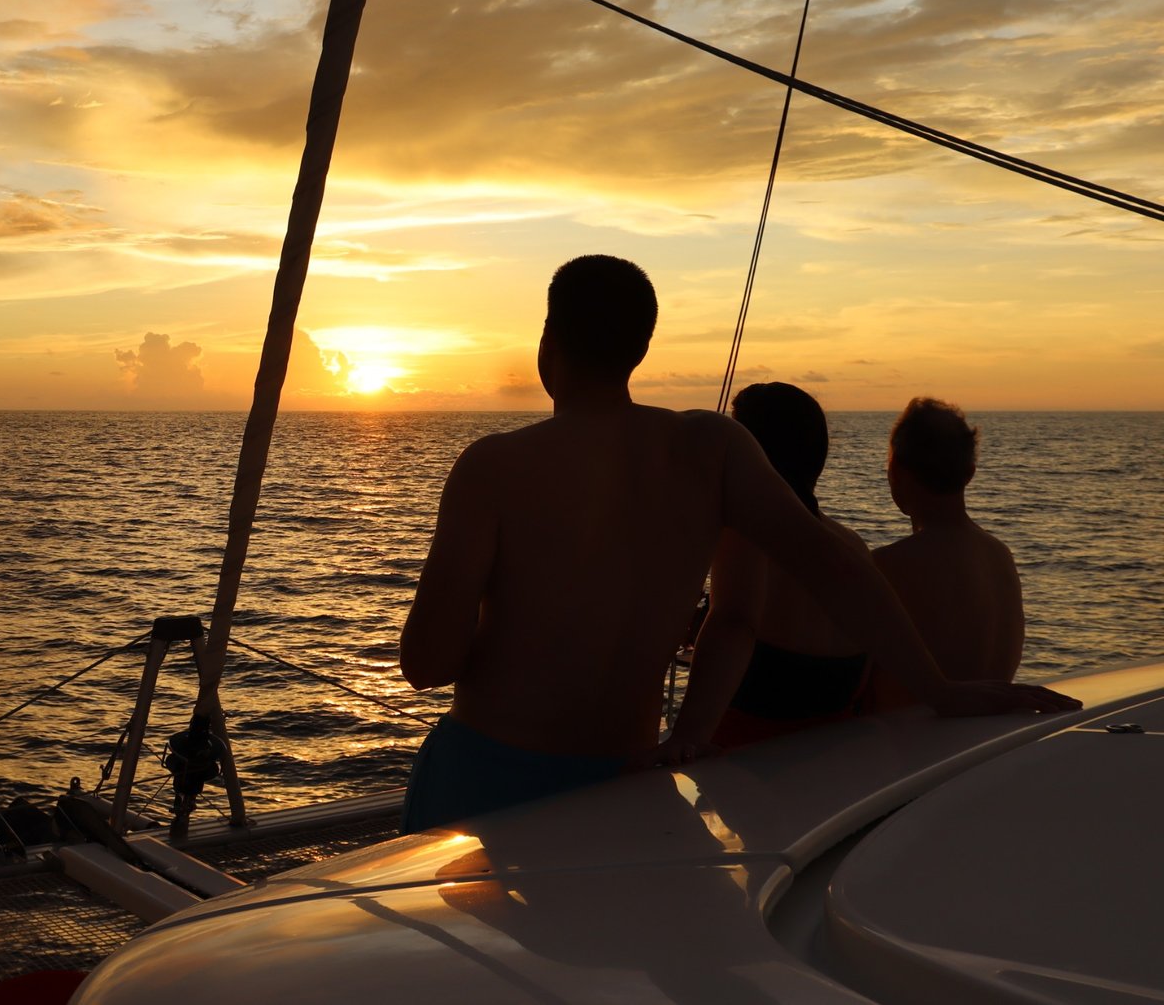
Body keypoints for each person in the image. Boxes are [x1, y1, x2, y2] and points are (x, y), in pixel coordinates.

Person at [398, 255, 1074, 833]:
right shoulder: (711, 446)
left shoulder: (492, 466)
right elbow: (833, 564)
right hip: (626, 783)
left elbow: (427, 663)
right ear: (641, 347)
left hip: (486, 779)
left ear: (549, 341)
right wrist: (940, 689)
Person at [668, 382, 870, 751]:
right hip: (831, 749)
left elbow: (735, 622)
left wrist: (685, 738)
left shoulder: (747, 534)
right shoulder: (851, 544)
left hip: (746, 753)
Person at [866, 398, 1025, 709]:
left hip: (909, 737)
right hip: (990, 733)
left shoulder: (886, 566)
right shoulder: (1000, 557)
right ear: (970, 473)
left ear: (895, 469)